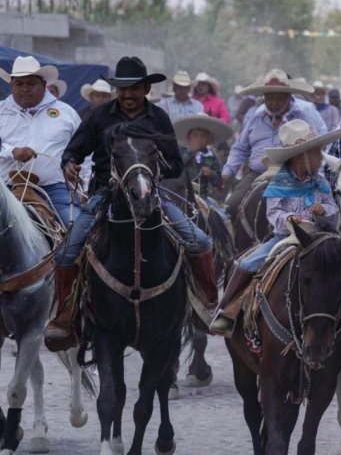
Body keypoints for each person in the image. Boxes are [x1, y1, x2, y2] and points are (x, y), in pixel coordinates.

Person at [46, 56, 217, 352]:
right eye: (122, 88)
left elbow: (176, 165)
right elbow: (74, 150)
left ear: (146, 89)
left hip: (149, 195)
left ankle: (206, 307)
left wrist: (147, 172)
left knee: (200, 241)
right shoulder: (99, 116)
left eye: (134, 88)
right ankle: (65, 317)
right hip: (104, 195)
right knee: (68, 249)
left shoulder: (159, 119)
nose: (127, 94)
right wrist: (69, 164)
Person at [210, 119, 341, 333]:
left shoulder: (321, 182)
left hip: (320, 240)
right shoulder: (279, 182)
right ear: (299, 157)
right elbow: (273, 213)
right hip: (284, 238)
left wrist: (324, 211)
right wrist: (290, 218)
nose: (321, 158)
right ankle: (226, 310)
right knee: (246, 263)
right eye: (316, 153)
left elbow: (333, 210)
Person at [222, 71, 325, 219]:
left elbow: (315, 150)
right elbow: (239, 149)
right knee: (229, 209)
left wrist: (316, 179)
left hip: (292, 177)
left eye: (279, 98)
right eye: (269, 98)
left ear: (289, 98)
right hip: (257, 176)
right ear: (264, 97)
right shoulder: (255, 120)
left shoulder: (302, 118)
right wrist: (227, 172)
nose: (273, 102)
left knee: (312, 214)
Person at [0, 56, 81, 227]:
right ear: (11, 85)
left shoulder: (67, 114)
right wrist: (12, 151)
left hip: (53, 189)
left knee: (77, 229)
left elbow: (85, 153)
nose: (25, 89)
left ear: (43, 85)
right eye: (19, 84)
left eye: (31, 83)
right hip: (5, 189)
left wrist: (85, 186)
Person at [172, 113, 233, 201]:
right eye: (195, 135)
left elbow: (218, 183)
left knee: (219, 215)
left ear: (209, 139)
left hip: (202, 198)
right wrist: (192, 151)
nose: (198, 139)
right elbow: (175, 168)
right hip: (179, 195)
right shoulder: (182, 152)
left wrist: (211, 174)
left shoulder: (211, 157)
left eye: (203, 136)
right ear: (189, 137)